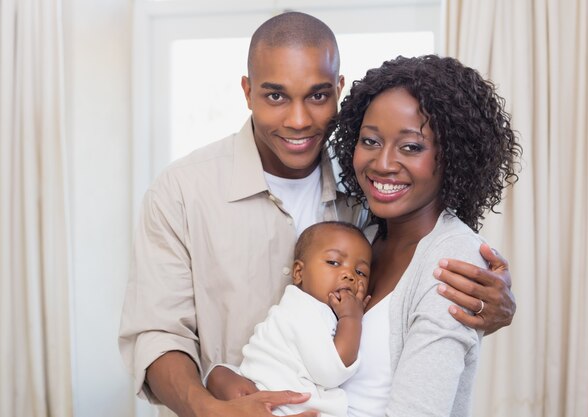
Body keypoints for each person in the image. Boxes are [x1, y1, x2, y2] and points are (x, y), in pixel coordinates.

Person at [118, 11, 516, 417]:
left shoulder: (370, 192)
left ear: (338, 89)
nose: (299, 120)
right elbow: (157, 334)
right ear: (247, 91)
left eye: (318, 95)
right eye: (275, 96)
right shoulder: (183, 191)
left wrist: (491, 309)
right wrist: (207, 408)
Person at [330, 54, 522, 416]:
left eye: (411, 147)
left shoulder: (454, 261)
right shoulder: (363, 237)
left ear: (453, 156)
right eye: (370, 141)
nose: (383, 163)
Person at [228, 221, 372, 417]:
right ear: (298, 272)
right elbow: (331, 372)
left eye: (360, 272)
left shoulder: (314, 310)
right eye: (333, 262)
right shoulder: (301, 310)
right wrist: (352, 318)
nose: (349, 275)